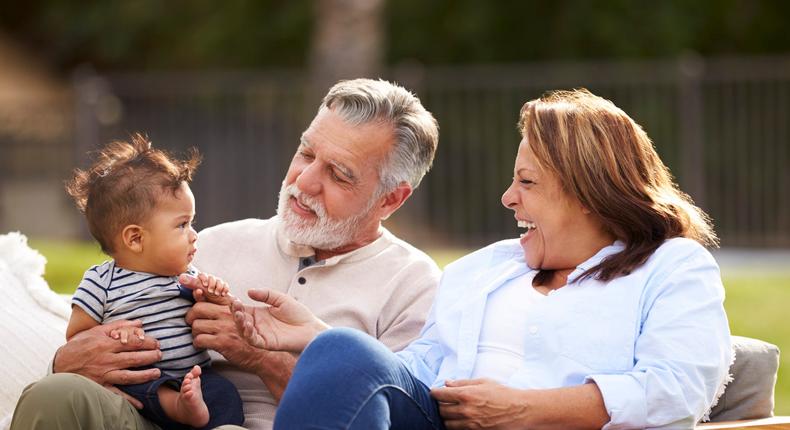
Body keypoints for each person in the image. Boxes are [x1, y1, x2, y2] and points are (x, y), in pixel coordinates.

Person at [230, 89, 733, 429]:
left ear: (590, 194)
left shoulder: (671, 268)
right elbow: (419, 366)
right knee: (341, 349)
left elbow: (680, 386)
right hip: (439, 419)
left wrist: (523, 410)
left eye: (528, 182)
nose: (508, 198)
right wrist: (318, 336)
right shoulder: (487, 268)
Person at [11, 78, 441, 430]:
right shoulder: (206, 244)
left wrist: (255, 355)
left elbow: (395, 418)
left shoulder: (413, 286)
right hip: (162, 419)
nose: (304, 181)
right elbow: (102, 316)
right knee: (57, 395)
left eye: (339, 174)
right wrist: (70, 359)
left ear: (391, 199)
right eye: (306, 152)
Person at [61, 135, 244, 429]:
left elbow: (212, 315)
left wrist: (213, 293)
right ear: (135, 238)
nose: (194, 234)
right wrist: (111, 332)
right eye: (182, 224)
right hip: (142, 383)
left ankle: (199, 413)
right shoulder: (102, 282)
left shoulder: (185, 276)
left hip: (193, 377)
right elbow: (77, 337)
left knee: (224, 394)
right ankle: (181, 409)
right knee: (148, 388)